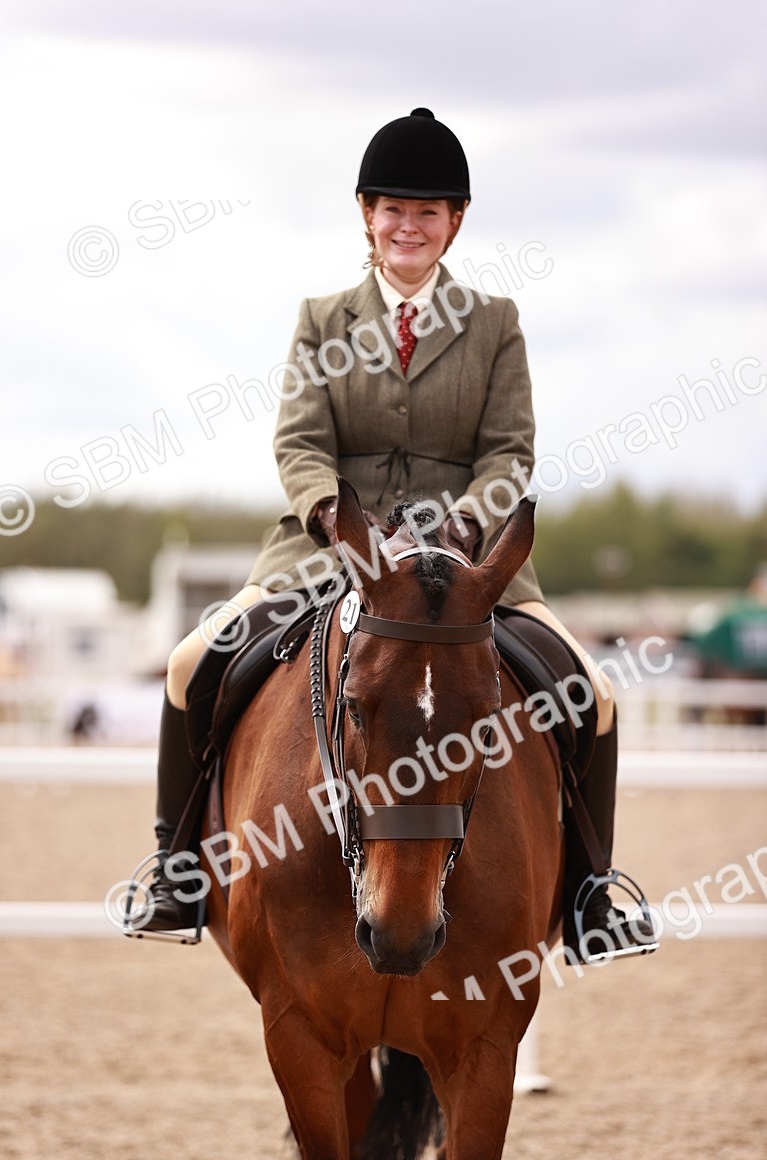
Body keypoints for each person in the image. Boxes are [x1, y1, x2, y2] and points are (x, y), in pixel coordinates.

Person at [137, 107, 656, 962]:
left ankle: (593, 896)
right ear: (366, 215)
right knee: (190, 663)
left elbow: (508, 452)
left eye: (427, 212)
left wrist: (466, 522)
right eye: (393, 209)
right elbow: (300, 443)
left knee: (592, 693)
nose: (407, 227)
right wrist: (335, 520)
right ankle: (173, 874)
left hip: (469, 557)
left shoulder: (495, 323)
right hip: (329, 546)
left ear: (454, 223)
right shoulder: (321, 317)